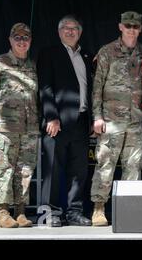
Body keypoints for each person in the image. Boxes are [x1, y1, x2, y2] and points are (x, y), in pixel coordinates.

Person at [0, 23, 39, 228]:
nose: (22, 42)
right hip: (4, 128)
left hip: (29, 129)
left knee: (25, 171)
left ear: (30, 41)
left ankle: (20, 212)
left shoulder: (32, 65)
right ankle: (3, 213)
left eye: (25, 38)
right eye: (17, 38)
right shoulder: (0, 62)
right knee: (3, 170)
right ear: (10, 40)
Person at [90, 11, 142, 226]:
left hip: (136, 120)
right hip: (111, 120)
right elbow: (97, 87)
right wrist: (97, 116)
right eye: (128, 25)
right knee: (106, 164)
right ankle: (98, 208)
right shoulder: (107, 52)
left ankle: (128, 211)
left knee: (133, 167)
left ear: (140, 29)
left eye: (135, 26)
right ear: (120, 27)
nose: (131, 29)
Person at [37, 15, 93, 227]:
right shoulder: (49, 53)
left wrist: (93, 120)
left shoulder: (86, 55)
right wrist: (51, 116)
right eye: (66, 28)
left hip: (81, 122)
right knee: (53, 171)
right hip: (57, 123)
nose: (70, 31)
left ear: (80, 32)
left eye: (74, 28)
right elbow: (45, 88)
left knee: (79, 171)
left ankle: (74, 212)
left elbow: (92, 89)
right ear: (59, 32)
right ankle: (49, 214)